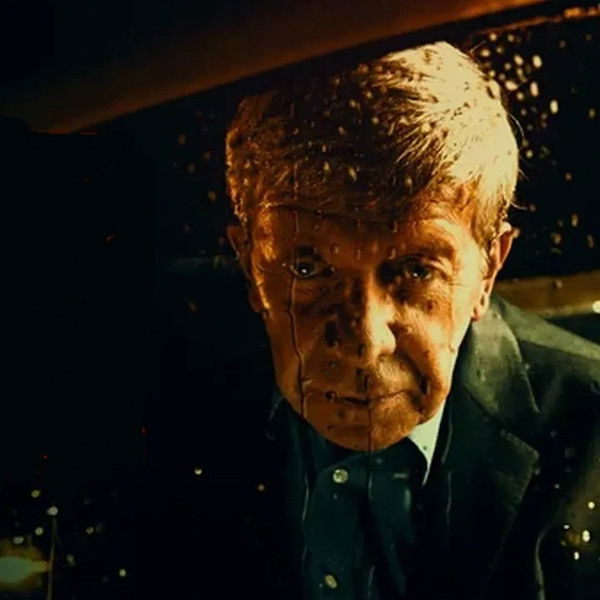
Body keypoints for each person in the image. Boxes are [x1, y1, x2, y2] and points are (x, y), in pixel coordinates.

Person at [224, 42, 600, 599]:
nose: (366, 341)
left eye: (417, 271)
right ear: (248, 264)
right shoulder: (154, 382)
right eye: (309, 268)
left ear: (489, 270)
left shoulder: (593, 438)